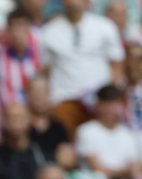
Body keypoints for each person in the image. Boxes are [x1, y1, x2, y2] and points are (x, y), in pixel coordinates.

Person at [39, 0, 126, 136]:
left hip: (98, 102)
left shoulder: (105, 27)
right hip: (64, 100)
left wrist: (108, 97)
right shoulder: (49, 31)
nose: (74, 2)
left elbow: (117, 64)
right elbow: (46, 69)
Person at [76, 85, 142, 179]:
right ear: (97, 105)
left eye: (113, 104)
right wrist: (125, 171)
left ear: (120, 105)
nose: (109, 109)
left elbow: (135, 168)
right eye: (105, 105)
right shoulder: (86, 131)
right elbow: (97, 169)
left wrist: (126, 172)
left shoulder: (127, 134)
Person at [24, 77, 74, 168]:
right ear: (27, 95)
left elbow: (68, 160)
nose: (38, 96)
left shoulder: (59, 127)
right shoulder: (21, 127)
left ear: (49, 95)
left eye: (42, 92)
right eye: (34, 91)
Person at [0, 7, 40, 106]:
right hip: (11, 111)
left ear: (29, 28)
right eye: (14, 28)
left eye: (21, 27)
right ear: (8, 30)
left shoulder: (39, 52)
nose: (17, 33)